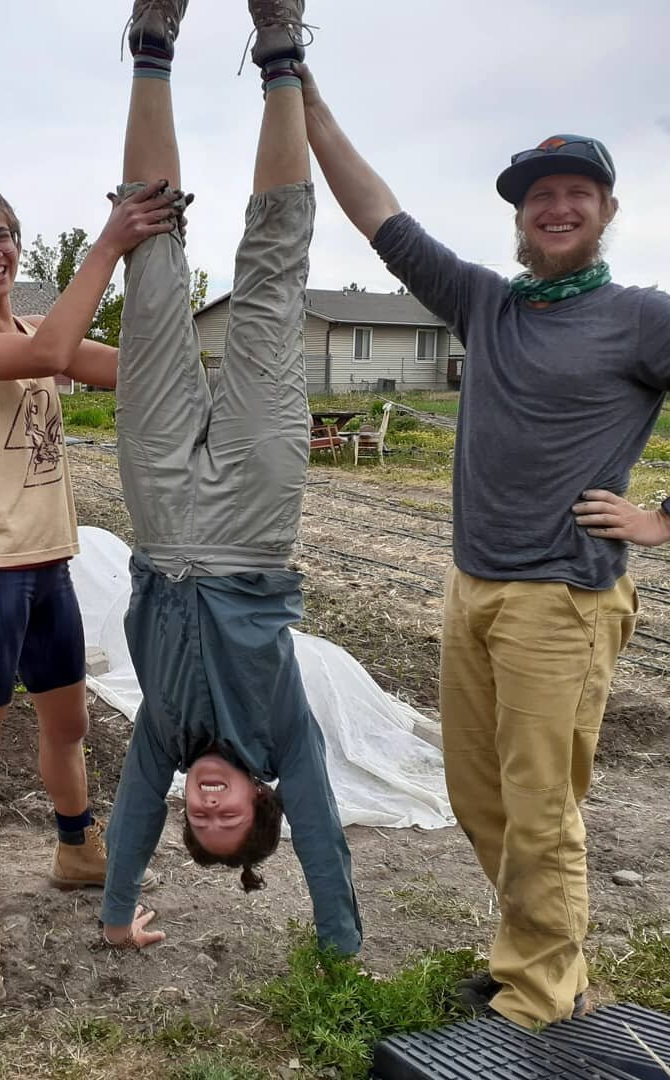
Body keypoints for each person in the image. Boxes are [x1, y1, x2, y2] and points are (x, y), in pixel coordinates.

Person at [296, 70, 670, 1026]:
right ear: (519, 218)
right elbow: (378, 213)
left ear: (606, 209)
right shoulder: (486, 303)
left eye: (574, 193)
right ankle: (544, 959)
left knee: (541, 807)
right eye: (538, 196)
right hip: (472, 589)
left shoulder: (641, 317)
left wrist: (661, 522)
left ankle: (540, 997)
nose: (556, 207)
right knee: (478, 796)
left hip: (565, 600)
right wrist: (299, 86)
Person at [95, 0, 363, 960]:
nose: (208, 806)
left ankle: (152, 41)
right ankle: (282, 44)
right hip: (254, 520)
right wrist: (338, 948)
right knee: (273, 279)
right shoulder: (285, 733)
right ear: (258, 800)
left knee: (152, 268)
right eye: (228, 818)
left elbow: (128, 824)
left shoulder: (162, 741)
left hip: (162, 518)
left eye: (197, 821)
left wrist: (118, 911)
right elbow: (324, 841)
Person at [0, 174, 179, 1002]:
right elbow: (42, 358)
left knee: (67, 725)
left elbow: (131, 367)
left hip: (46, 566)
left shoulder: (40, 327)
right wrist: (109, 243)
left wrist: (169, 272)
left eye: (1, 235)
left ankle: (76, 848)